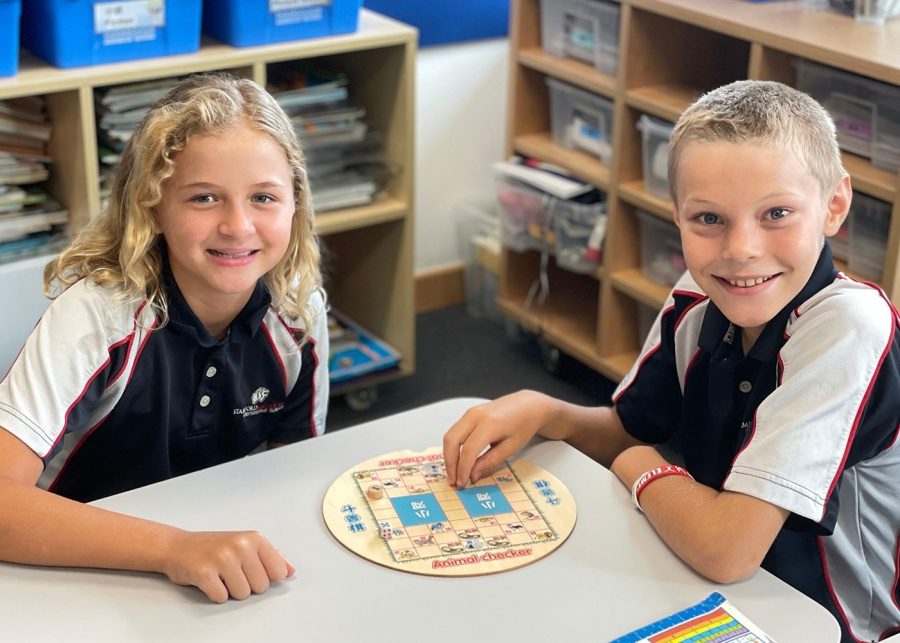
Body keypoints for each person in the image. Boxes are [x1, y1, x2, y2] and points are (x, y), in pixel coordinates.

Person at [443, 81, 899, 642]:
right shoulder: (700, 295)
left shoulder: (849, 326)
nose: (740, 250)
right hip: (715, 588)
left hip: (828, 625)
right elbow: (629, 431)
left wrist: (642, 466)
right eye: (709, 219)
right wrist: (548, 413)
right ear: (677, 215)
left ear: (834, 206)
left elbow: (725, 548)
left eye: (776, 213)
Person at [0, 73, 329, 603]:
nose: (238, 225)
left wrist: (195, 549)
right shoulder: (97, 316)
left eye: (264, 197)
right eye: (204, 198)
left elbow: (291, 473)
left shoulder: (298, 310)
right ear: (151, 207)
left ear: (296, 204)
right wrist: (173, 548)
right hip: (73, 570)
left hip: (203, 567)